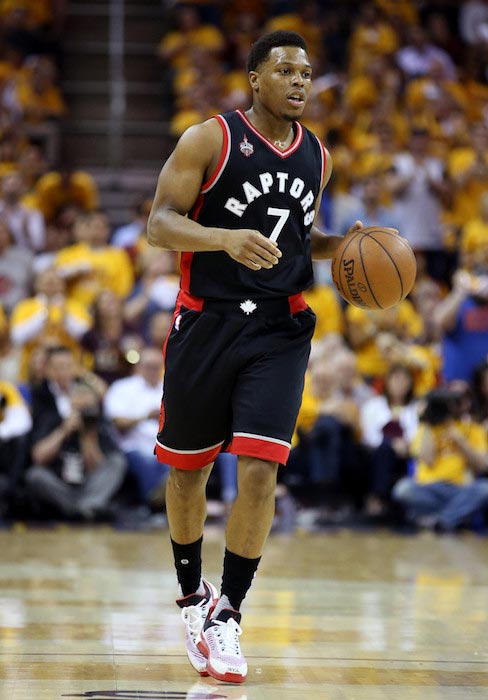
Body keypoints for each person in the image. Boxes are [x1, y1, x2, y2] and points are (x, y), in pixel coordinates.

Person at [146, 30, 363, 684]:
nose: (301, 81)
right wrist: (221, 239)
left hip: (279, 327)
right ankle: (192, 597)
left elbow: (297, 240)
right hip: (206, 322)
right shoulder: (209, 138)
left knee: (262, 468)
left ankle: (230, 612)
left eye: (307, 72)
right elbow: (160, 221)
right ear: (255, 79)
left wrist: (348, 248)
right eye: (286, 70)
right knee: (188, 472)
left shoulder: (317, 156)